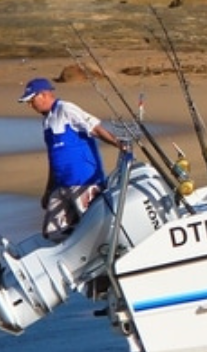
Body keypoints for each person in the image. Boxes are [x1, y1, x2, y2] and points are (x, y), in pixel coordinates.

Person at [18, 77, 130, 242]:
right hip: (61, 184)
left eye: (31, 100)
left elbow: (95, 129)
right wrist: (48, 190)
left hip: (83, 181)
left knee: (93, 225)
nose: (30, 105)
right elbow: (53, 157)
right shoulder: (47, 120)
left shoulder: (66, 109)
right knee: (52, 232)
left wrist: (119, 144)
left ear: (43, 95)